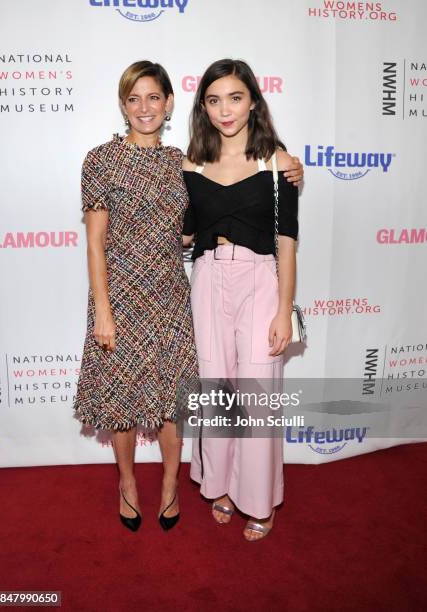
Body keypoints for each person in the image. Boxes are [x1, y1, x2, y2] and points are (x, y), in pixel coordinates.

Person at [73, 60, 199, 532]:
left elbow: (235, 174)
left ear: (168, 103)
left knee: (170, 400)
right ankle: (126, 483)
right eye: (133, 98)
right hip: (119, 299)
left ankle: (169, 484)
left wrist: (285, 162)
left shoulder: (182, 163)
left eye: (153, 97)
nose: (144, 107)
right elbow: (96, 242)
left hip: (169, 297)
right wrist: (103, 310)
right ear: (123, 105)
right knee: (121, 400)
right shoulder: (100, 161)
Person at [182, 59, 301, 541]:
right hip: (208, 277)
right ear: (203, 107)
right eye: (213, 100)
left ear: (253, 99)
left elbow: (288, 240)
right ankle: (224, 485)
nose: (224, 109)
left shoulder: (279, 163)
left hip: (261, 280)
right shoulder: (190, 163)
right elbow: (186, 233)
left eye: (234, 97)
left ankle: (260, 500)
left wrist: (283, 310)